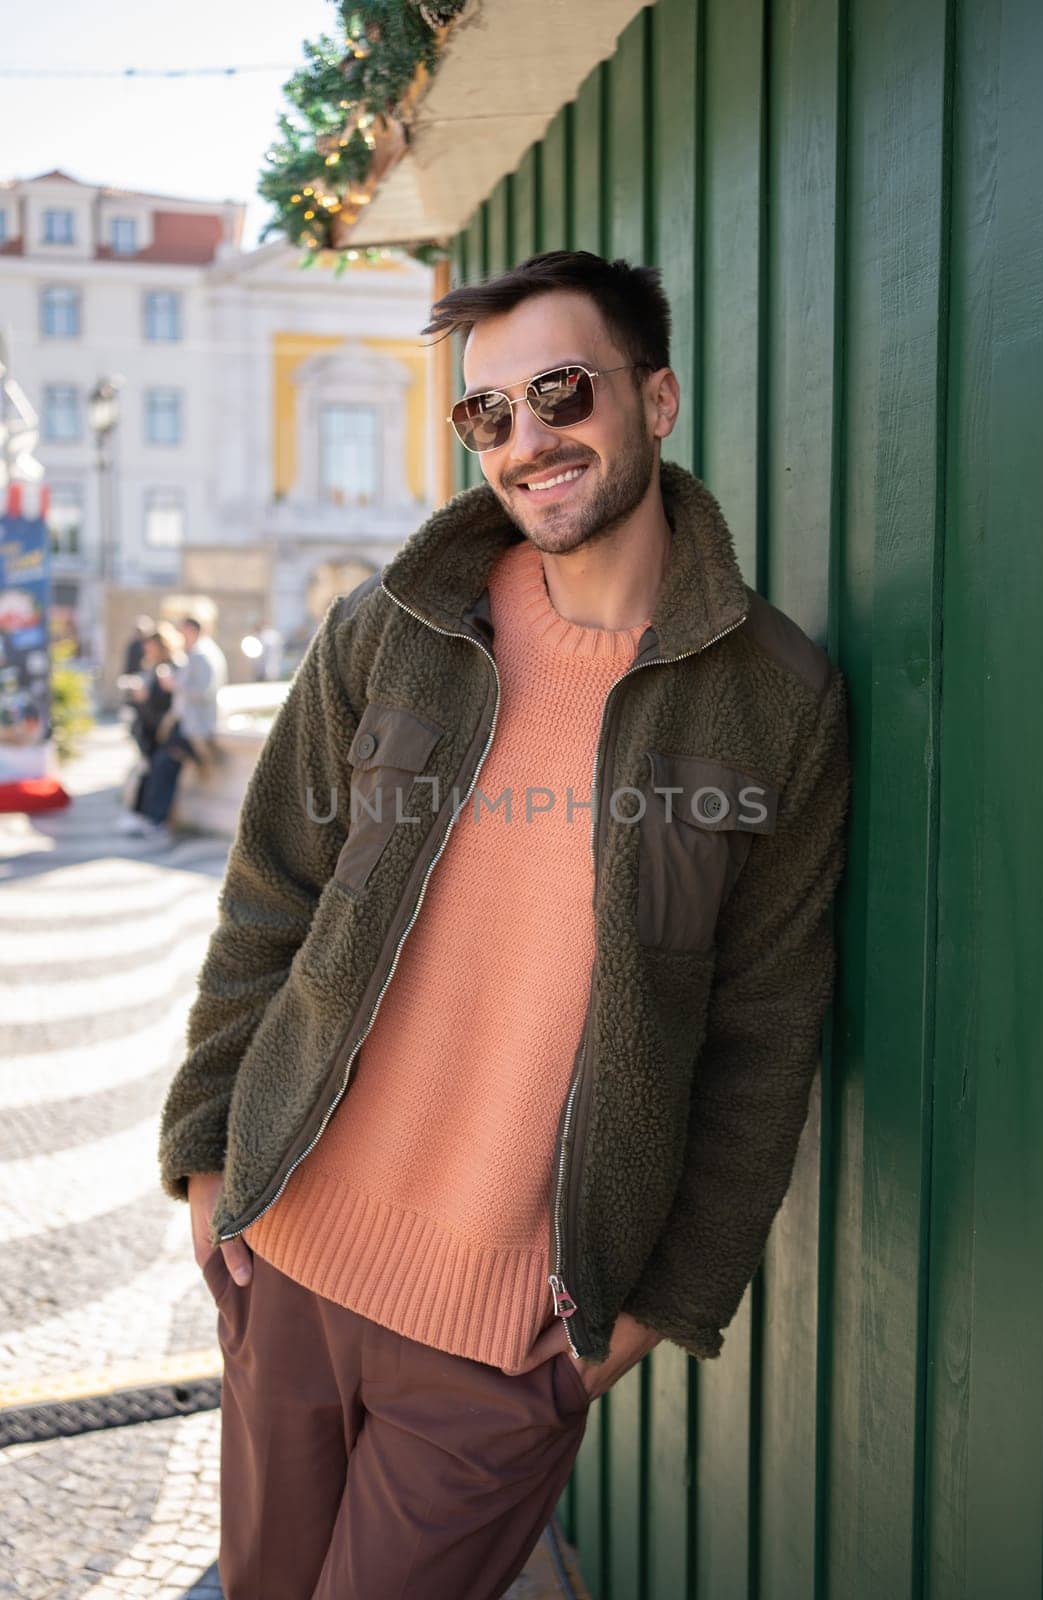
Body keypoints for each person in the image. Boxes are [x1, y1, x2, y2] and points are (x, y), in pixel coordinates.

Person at [158, 250, 851, 1599]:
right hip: (287, 1256)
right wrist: (206, 1165)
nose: (527, 440)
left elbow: (763, 1039)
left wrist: (649, 1313)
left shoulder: (777, 699)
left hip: (501, 1345)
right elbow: (269, 897)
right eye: (488, 413)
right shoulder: (393, 630)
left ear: (652, 400)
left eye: (560, 392)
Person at [137, 615, 228, 839]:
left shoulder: (201, 653)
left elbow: (203, 691)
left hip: (194, 726)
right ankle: (154, 818)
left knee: (164, 764)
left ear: (190, 629)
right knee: (160, 765)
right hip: (188, 725)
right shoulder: (199, 651)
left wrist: (174, 685)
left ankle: (157, 821)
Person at [117, 622, 184, 834]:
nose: (147, 650)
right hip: (148, 730)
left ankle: (154, 819)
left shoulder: (173, 667)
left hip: (164, 732)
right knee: (146, 771)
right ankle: (142, 815)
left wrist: (147, 696)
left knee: (158, 771)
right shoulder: (152, 667)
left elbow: (171, 701)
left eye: (151, 646)